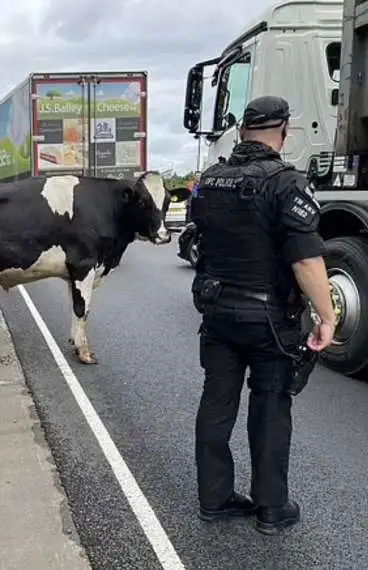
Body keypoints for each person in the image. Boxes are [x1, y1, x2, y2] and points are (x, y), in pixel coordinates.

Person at [189, 95, 336, 535]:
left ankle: (214, 498)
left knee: (216, 403)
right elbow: (306, 259)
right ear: (284, 130)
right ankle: (271, 508)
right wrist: (326, 316)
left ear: (240, 133)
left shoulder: (209, 180)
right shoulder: (286, 183)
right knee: (271, 406)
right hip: (269, 320)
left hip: (217, 313)